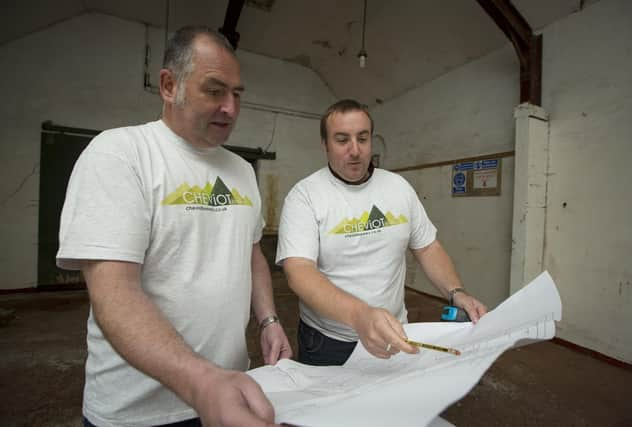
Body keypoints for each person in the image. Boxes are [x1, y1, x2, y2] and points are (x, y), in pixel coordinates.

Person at [57, 26, 292, 427]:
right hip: (137, 410)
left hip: (229, 392)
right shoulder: (120, 154)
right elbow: (114, 292)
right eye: (215, 90)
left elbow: (251, 253)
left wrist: (268, 319)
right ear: (169, 85)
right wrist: (202, 382)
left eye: (237, 94)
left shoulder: (240, 172)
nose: (231, 108)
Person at [276, 99, 487, 366]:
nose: (355, 151)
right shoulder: (305, 196)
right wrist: (360, 316)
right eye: (342, 140)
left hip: (395, 334)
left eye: (362, 139)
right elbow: (299, 272)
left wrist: (456, 291)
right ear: (324, 145)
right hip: (330, 341)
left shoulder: (398, 187)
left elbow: (427, 247)